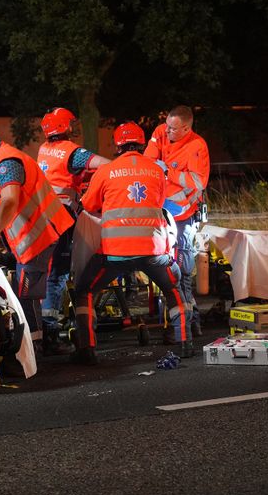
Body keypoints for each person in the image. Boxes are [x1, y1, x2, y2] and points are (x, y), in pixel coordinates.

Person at [73, 122, 191, 365]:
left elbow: (88, 205)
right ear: (141, 142)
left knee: (84, 290)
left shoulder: (106, 171)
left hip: (115, 254)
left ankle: (87, 349)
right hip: (153, 251)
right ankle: (184, 342)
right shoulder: (156, 171)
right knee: (173, 289)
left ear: (117, 145)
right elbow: (159, 203)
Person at [0, 118, 75, 356]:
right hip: (29, 238)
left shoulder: (6, 163)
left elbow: (10, 200)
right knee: (26, 290)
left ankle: (36, 348)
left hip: (42, 234)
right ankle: (37, 342)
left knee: (27, 293)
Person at [36, 107, 111, 332]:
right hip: (62, 215)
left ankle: (42, 323)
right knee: (59, 271)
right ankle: (50, 326)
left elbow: (60, 174)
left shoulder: (43, 149)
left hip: (41, 215)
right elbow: (105, 164)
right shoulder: (72, 152)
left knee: (44, 268)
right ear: (65, 127)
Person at [143, 105, 209, 339]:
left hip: (182, 216)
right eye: (167, 126)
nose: (166, 131)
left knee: (182, 271)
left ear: (186, 128)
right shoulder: (161, 132)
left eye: (173, 128)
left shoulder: (197, 146)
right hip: (160, 214)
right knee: (167, 271)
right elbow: (147, 162)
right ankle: (185, 323)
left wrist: (168, 173)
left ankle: (187, 325)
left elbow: (198, 182)